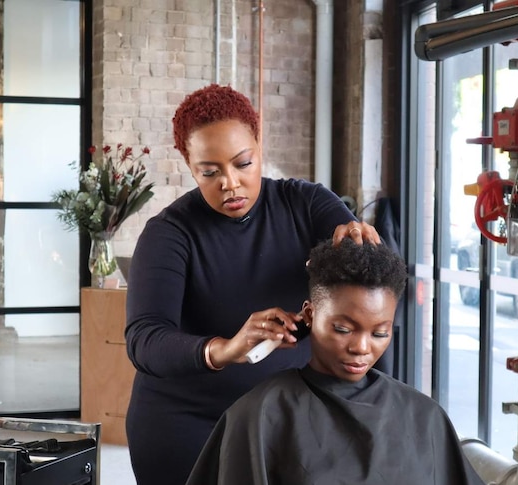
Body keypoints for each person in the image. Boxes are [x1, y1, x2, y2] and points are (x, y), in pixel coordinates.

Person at [124, 84, 381, 485]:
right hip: (185, 426)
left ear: (259, 145)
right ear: (189, 165)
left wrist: (354, 244)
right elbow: (145, 339)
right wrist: (225, 349)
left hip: (282, 419)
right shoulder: (169, 234)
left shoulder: (307, 204)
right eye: (209, 172)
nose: (230, 182)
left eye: (243, 163)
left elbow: (367, 261)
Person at [186, 239, 485, 485]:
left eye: (380, 333)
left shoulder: (424, 415)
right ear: (310, 315)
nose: (361, 348)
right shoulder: (260, 414)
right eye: (343, 329)